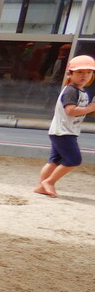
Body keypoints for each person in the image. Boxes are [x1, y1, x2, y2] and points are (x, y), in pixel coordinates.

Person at [34, 54, 95, 197]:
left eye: (89, 72)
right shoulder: (71, 90)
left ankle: (40, 186)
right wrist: (90, 108)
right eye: (80, 72)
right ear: (70, 73)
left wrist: (90, 108)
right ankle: (49, 182)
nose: (84, 76)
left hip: (65, 130)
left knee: (55, 160)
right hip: (63, 131)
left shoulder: (80, 91)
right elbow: (71, 110)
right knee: (74, 160)